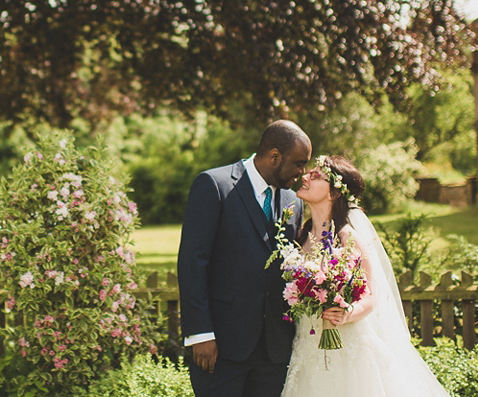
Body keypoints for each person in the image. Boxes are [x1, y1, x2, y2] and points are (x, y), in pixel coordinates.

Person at [281, 155, 450, 397]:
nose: (305, 176)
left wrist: (346, 313)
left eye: (316, 175)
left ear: (334, 193)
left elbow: (370, 297)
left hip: (346, 346)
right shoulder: (301, 236)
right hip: (307, 346)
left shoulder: (349, 239)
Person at [178, 120, 311, 397]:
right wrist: (200, 334)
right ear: (275, 156)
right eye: (299, 163)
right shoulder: (215, 185)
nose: (303, 172)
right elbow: (193, 263)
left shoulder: (292, 200)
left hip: (274, 350)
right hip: (221, 346)